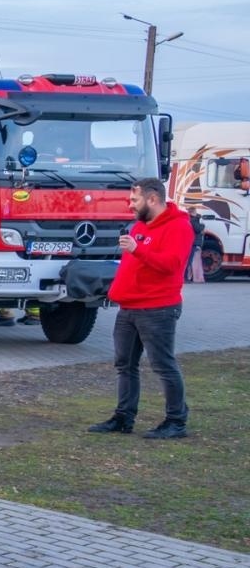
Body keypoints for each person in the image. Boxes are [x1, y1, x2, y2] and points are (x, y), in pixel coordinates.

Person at [87, 177, 195, 440]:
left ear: (153, 199)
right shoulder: (139, 226)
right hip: (130, 307)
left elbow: (171, 264)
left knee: (163, 365)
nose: (130, 205)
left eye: (134, 200)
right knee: (125, 364)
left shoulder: (179, 227)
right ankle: (124, 417)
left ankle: (176, 421)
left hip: (158, 308)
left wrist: (138, 250)